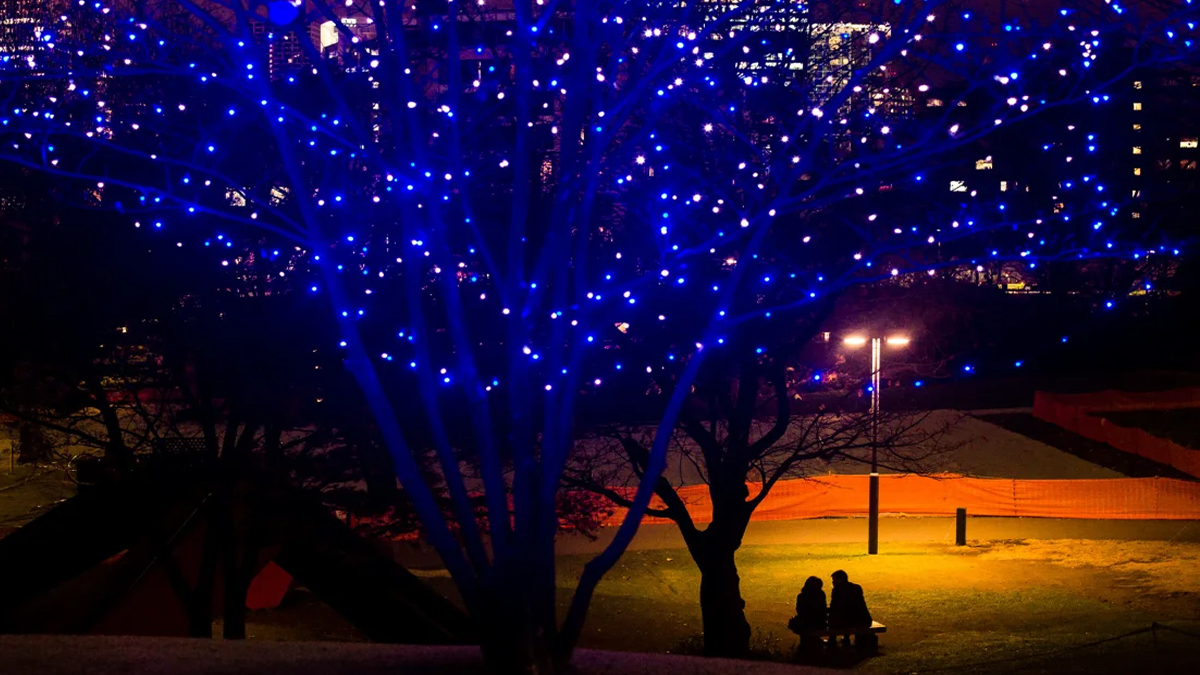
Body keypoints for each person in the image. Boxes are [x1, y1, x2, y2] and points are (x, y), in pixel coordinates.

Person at [828, 570, 873, 651]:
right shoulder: (856, 588)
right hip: (863, 620)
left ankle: (832, 640)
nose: (833, 582)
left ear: (839, 580)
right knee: (846, 616)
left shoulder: (837, 591)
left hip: (849, 621)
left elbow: (836, 608)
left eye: (834, 580)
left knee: (836, 619)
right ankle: (845, 638)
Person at [791, 576, 827, 659]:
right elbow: (823, 608)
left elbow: (800, 610)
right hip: (819, 623)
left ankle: (805, 648)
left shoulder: (802, 596)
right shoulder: (820, 594)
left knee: (801, 624)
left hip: (806, 623)